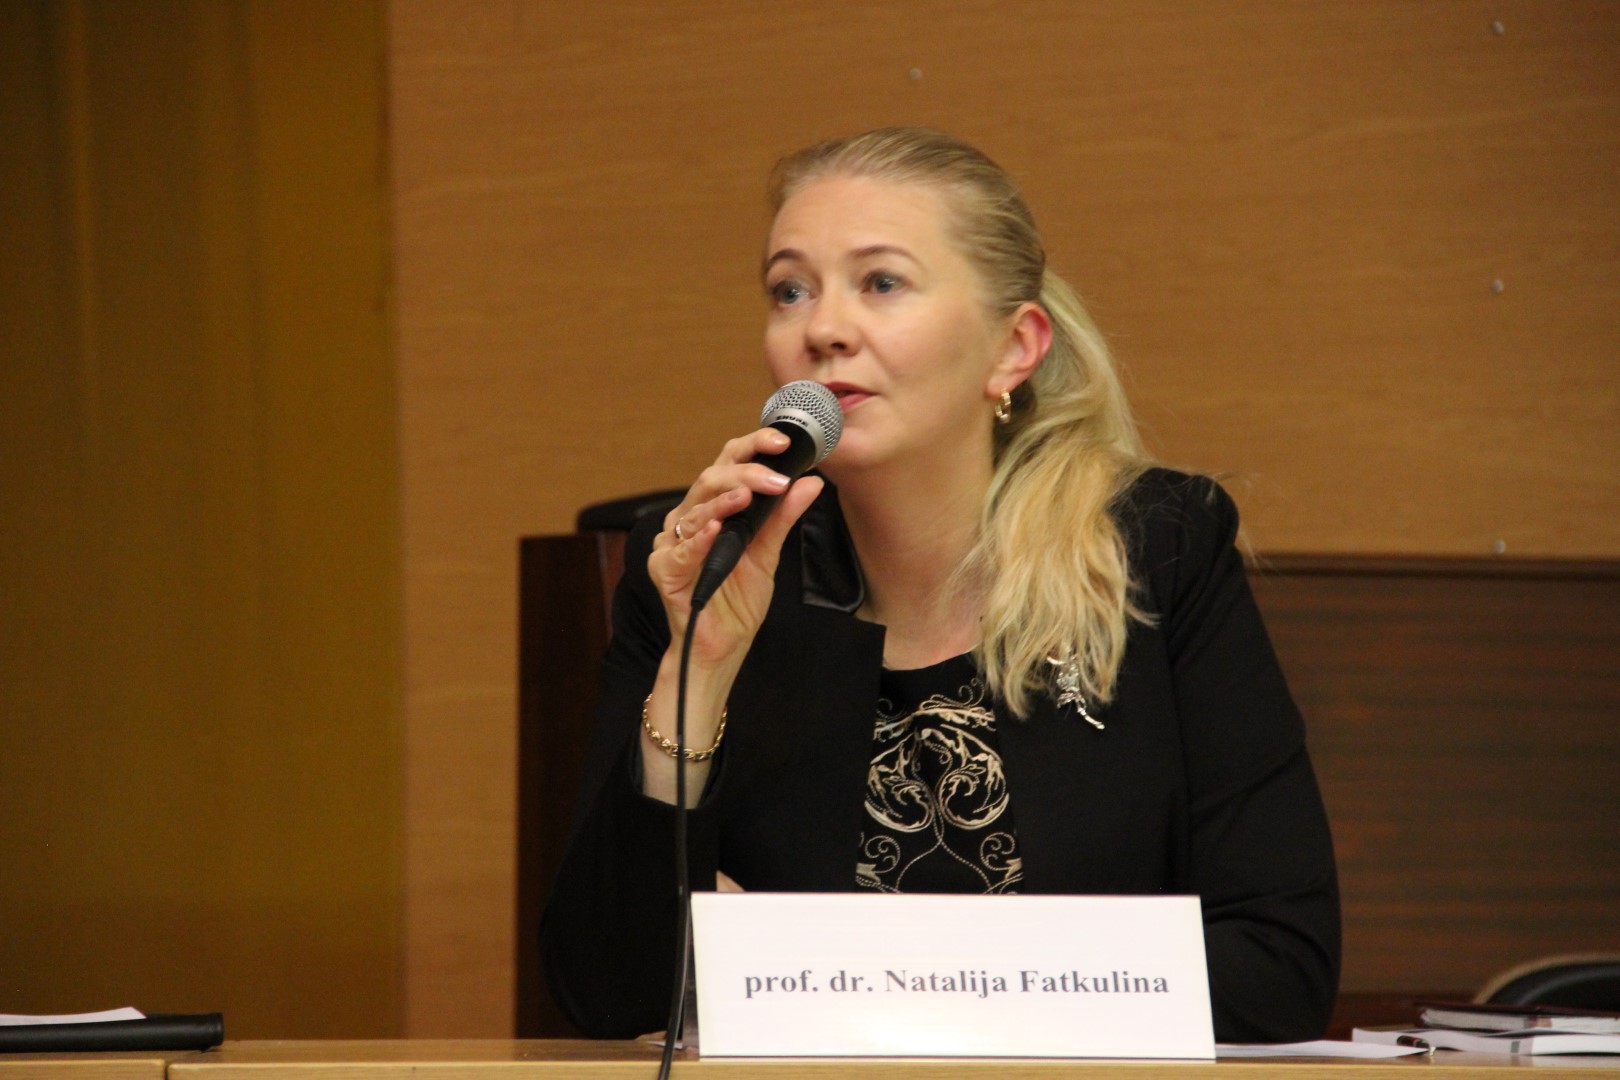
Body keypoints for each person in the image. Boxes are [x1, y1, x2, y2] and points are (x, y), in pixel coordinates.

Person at [540, 127, 1340, 1044]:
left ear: (1014, 347)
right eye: (790, 290)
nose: (822, 328)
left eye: (881, 282)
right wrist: (703, 667)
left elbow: (1280, 967)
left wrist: (814, 963)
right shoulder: (704, 567)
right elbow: (607, 990)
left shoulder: (1154, 553)